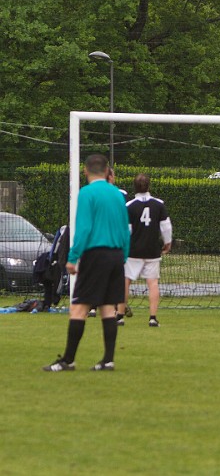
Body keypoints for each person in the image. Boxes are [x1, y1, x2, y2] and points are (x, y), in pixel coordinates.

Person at [43, 154, 130, 372]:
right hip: (116, 255)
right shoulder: (118, 195)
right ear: (108, 171)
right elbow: (126, 230)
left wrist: (72, 258)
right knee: (108, 307)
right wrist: (124, 256)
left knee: (78, 307)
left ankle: (68, 360)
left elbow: (83, 229)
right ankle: (108, 360)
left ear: (85, 171)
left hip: (96, 255)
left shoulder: (87, 193)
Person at [121, 173, 173, 328]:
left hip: (133, 251)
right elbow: (166, 226)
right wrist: (168, 243)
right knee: (153, 283)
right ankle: (152, 318)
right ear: (149, 186)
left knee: (125, 281)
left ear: (134, 187)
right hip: (152, 250)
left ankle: (119, 316)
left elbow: (127, 230)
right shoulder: (159, 204)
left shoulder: (129, 206)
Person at [89, 167, 127, 319]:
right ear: (110, 177)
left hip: (96, 241)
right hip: (113, 242)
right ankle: (116, 310)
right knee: (114, 278)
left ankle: (93, 307)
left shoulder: (92, 193)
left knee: (96, 275)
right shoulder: (120, 194)